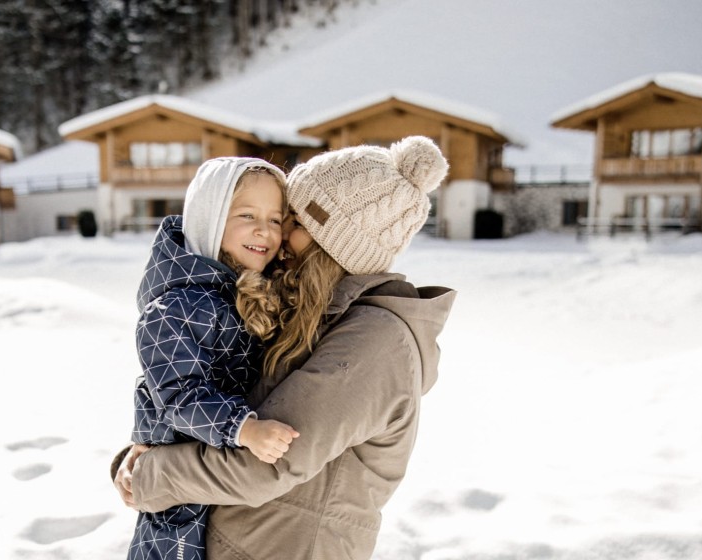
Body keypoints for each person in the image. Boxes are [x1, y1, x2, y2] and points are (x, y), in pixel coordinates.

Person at [115, 137, 456, 560]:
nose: (277, 237)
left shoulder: (373, 343)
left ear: (324, 241)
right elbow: (210, 390)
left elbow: (268, 462)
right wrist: (151, 444)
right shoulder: (312, 315)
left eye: (289, 221)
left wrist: (148, 475)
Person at [127, 157, 299, 560]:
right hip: (182, 507)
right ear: (210, 218)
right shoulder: (174, 306)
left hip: (227, 487)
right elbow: (178, 397)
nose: (264, 230)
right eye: (246, 215)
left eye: (276, 220)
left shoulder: (252, 292)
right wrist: (244, 428)